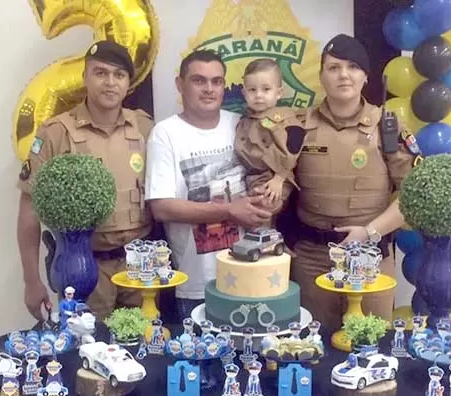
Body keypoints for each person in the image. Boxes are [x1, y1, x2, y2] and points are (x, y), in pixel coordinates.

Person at [283, 34, 421, 333]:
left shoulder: (387, 127)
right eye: (333, 68)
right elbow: (279, 184)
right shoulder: (298, 125)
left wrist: (369, 232)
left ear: (365, 76)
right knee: (314, 343)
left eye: (353, 67)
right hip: (313, 259)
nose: (343, 75)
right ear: (321, 77)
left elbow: (414, 195)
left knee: (370, 342)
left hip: (370, 256)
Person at [16, 40, 155, 321]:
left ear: (128, 83)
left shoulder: (144, 126)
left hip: (140, 266)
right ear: (85, 77)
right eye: (100, 73)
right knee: (87, 345)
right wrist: (31, 280)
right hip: (84, 268)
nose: (110, 82)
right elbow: (29, 208)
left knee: (144, 343)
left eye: (119, 75)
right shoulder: (55, 132)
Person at [145, 50, 272, 321]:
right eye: (199, 80)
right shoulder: (165, 134)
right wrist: (229, 210)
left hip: (252, 272)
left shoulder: (240, 124)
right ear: (180, 84)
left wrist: (268, 200)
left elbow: (265, 175)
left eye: (217, 81)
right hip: (197, 284)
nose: (209, 89)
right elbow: (161, 208)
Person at [234, 58, 305, 205]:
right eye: (252, 90)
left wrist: (279, 178)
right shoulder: (243, 122)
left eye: (266, 89)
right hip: (250, 178)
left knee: (264, 207)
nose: (258, 95)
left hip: (276, 177)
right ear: (244, 93)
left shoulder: (284, 119)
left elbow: (294, 145)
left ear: (279, 93)